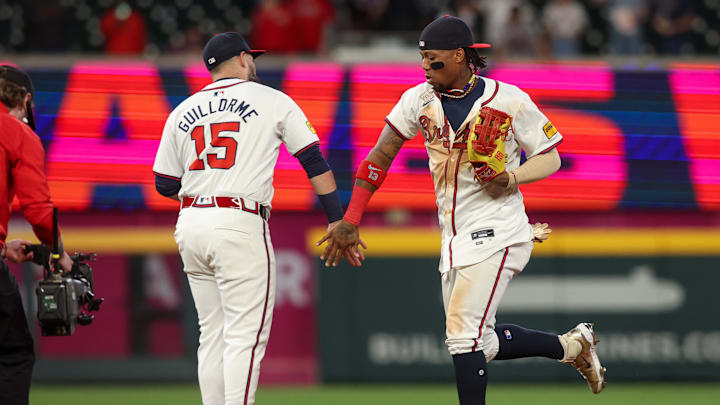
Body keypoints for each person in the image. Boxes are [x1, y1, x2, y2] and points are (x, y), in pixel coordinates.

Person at [318, 16, 606, 404]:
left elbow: (551, 157)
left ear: (459, 56)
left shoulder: (508, 99)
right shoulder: (417, 100)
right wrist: (351, 219)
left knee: (461, 337)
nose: (424, 66)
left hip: (500, 227)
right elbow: (379, 157)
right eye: (421, 58)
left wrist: (512, 178)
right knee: (479, 342)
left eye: (432, 58)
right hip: (454, 235)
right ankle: (573, 347)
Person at [152, 32, 358, 405]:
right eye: (253, 58)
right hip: (239, 222)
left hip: (192, 222)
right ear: (244, 59)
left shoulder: (182, 110)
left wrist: (206, 192)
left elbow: (164, 183)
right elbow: (314, 160)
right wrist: (336, 218)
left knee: (211, 334)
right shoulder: (271, 99)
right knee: (244, 337)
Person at [0, 65, 74, 405]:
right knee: (13, 354)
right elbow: (39, 211)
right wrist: (60, 252)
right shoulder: (16, 131)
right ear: (26, 99)